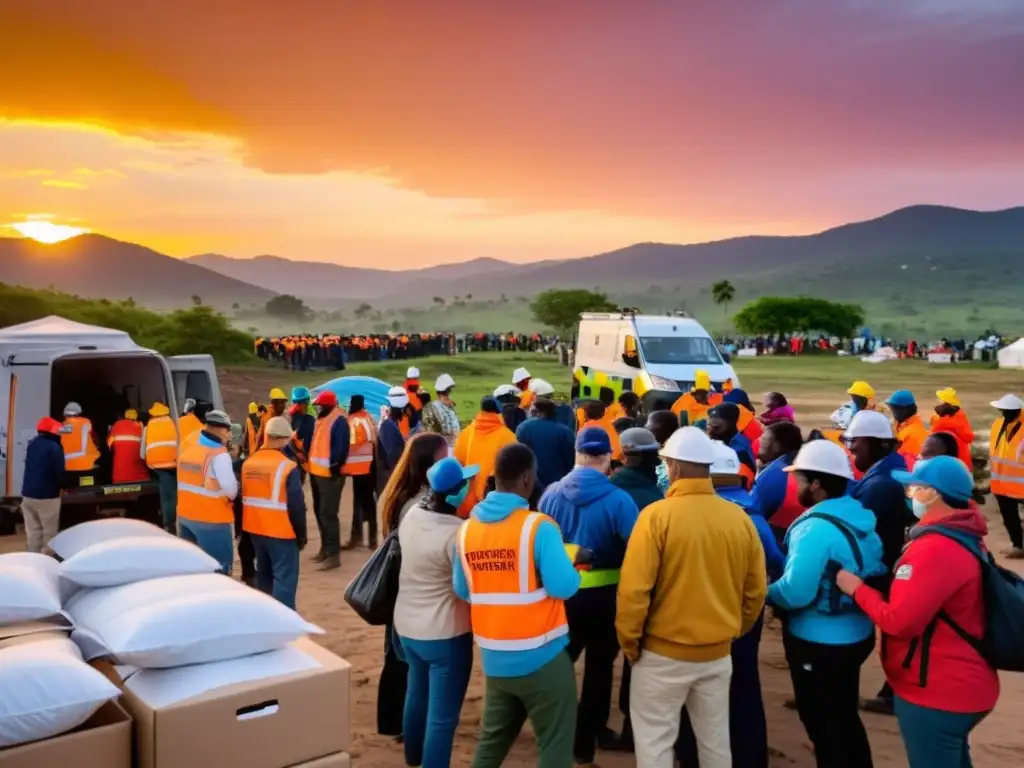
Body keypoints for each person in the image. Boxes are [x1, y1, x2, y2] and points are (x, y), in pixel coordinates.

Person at [617, 427, 766, 768]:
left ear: (675, 467)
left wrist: (631, 644)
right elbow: (755, 591)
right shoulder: (739, 520)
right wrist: (731, 630)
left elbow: (634, 592)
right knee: (715, 743)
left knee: (655, 743)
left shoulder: (655, 517)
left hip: (660, 654)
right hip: (716, 654)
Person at [836, 456, 998, 768]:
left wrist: (857, 589)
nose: (909, 493)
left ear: (934, 493)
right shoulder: (966, 535)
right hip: (965, 681)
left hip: (937, 691)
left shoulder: (935, 549)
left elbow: (900, 621)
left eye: (914, 487)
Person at [453, 443, 582, 768]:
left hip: (496, 659)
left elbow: (461, 588)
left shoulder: (466, 530)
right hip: (543, 658)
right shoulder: (538, 527)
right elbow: (563, 586)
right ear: (527, 479)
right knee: (555, 746)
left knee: (491, 745)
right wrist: (573, 561)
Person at [767, 439, 885, 768]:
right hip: (857, 633)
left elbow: (797, 592)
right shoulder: (859, 516)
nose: (796, 485)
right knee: (845, 717)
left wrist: (766, 592)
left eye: (800, 479)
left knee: (823, 725)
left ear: (816, 484)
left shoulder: (815, 528)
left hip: (818, 640)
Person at [676, 441, 784, 768]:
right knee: (743, 689)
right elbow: (777, 564)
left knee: (692, 691)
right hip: (741, 618)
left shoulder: (685, 511)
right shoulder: (752, 515)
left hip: (693, 615)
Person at [539, 426, 640, 765]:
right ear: (609, 458)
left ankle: (554, 734)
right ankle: (584, 743)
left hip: (560, 596)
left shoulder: (550, 494)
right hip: (606, 599)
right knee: (599, 672)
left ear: (577, 455)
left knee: (558, 668)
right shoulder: (619, 500)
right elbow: (637, 550)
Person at [395, 457, 478, 768]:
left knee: (416, 693)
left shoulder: (412, 514)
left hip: (407, 626)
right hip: (445, 633)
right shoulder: (458, 533)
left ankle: (413, 758)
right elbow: (463, 590)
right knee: (442, 719)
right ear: (456, 494)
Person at [379, 432, 450, 740]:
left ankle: (393, 721)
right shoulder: (421, 503)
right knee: (409, 660)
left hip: (400, 583)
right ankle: (405, 727)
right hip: (412, 585)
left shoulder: (400, 493)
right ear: (429, 464)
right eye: (444, 457)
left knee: (396, 653)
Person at [846, 409, 909, 716]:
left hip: (886, 572)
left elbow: (856, 528)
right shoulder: (886, 472)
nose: (850, 447)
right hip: (893, 569)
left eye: (853, 440)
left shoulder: (882, 484)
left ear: (872, 442)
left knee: (893, 638)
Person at [608, 427, 664, 752]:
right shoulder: (655, 499)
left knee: (601, 664)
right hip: (642, 591)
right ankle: (633, 729)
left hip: (601, 590)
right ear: (640, 456)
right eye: (653, 453)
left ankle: (590, 728)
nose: (657, 459)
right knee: (636, 660)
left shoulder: (610, 489)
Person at [241, 416, 307, 609]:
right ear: (283, 439)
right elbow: (296, 507)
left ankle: (266, 617)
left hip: (255, 531)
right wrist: (301, 535)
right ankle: (285, 624)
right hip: (281, 533)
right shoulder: (287, 467)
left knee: (264, 576)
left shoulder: (249, 464)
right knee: (284, 581)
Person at [177, 409, 238, 574]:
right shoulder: (218, 455)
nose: (229, 434)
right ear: (218, 429)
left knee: (193, 568)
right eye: (227, 430)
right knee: (219, 568)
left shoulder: (188, 449)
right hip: (212, 520)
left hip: (186, 517)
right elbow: (231, 490)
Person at [308, 390, 350, 570]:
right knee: (319, 511)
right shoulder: (323, 419)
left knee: (328, 514)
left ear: (328, 405)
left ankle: (333, 555)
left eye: (319, 406)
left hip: (330, 475)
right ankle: (325, 549)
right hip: (317, 473)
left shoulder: (338, 420)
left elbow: (341, 447)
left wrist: (335, 467)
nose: (317, 409)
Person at [453, 396, 516, 516]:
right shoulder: (508, 436)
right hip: (494, 503)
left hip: (467, 501)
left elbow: (458, 461)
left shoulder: (466, 433)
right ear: (499, 413)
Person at [752, 421, 806, 548]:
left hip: (778, 545)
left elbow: (754, 512)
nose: (759, 442)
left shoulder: (776, 472)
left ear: (776, 446)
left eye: (764, 439)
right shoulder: (802, 464)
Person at [19, 417, 65, 553]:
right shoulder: (54, 448)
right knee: (49, 535)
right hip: (47, 498)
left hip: (27, 496)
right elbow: (60, 473)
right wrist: (64, 487)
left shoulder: (32, 444)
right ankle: (47, 564)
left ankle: (33, 562)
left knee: (33, 533)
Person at [989, 393, 1024, 558]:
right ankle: (1017, 545)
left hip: (1021, 482)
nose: (1004, 413)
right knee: (1009, 517)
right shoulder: (997, 425)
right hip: (1001, 482)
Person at [515, 396, 575, 492]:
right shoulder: (565, 432)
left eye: (532, 411)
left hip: (530, 485)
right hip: (558, 486)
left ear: (539, 412)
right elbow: (570, 460)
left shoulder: (523, 428)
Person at [343, 395, 379, 550]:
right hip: (370, 467)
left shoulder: (352, 421)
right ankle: (372, 539)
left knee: (359, 503)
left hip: (358, 469)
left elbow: (348, 444)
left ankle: (356, 538)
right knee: (369, 503)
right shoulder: (368, 418)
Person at [141, 401, 179, 533]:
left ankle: (169, 524)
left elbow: (142, 454)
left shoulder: (148, 427)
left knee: (167, 496)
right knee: (175, 493)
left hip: (157, 465)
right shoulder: (175, 423)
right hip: (175, 463)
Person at [706, 403, 756, 489]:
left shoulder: (739, 450)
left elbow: (742, 483)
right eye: (711, 417)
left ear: (731, 422)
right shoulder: (721, 440)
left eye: (718, 418)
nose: (712, 421)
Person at [378, 388, 412, 496]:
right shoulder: (388, 426)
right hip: (390, 477)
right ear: (401, 409)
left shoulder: (391, 423)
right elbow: (393, 456)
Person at [930, 388, 975, 467]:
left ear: (945, 402)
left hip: (951, 464)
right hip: (964, 463)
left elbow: (933, 437)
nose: (937, 400)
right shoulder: (960, 416)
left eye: (940, 399)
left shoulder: (942, 423)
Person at [887, 390, 929, 469]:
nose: (893, 415)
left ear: (902, 410)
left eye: (893, 410)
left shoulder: (911, 434)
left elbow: (898, 460)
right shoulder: (912, 424)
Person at [107, 408, 149, 484]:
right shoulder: (140, 426)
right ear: (136, 417)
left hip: (119, 477)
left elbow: (109, 446)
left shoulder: (116, 425)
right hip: (140, 476)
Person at [421, 373, 461, 450]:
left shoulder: (450, 407)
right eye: (445, 392)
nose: (447, 395)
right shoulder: (431, 408)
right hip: (441, 448)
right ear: (439, 393)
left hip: (455, 446)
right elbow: (431, 433)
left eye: (448, 391)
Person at [60, 401, 100, 477]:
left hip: (67, 467)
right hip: (86, 466)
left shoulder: (61, 428)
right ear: (79, 414)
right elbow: (96, 441)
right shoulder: (86, 424)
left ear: (65, 415)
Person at [645, 409, 680, 493]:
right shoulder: (658, 451)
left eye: (649, 427)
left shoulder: (673, 456)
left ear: (663, 428)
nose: (646, 430)